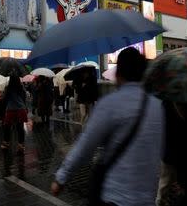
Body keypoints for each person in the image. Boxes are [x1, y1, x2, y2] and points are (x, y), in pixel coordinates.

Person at [51, 48, 163, 206]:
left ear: (118, 74)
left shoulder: (111, 104)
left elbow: (85, 147)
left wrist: (61, 177)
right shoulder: (157, 106)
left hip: (114, 196)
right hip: (147, 198)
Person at [1, 75, 28, 153]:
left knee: (7, 127)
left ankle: (6, 143)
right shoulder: (21, 88)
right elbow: (24, 98)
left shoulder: (8, 88)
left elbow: (5, 99)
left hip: (11, 109)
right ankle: (21, 145)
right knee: (20, 127)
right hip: (21, 109)